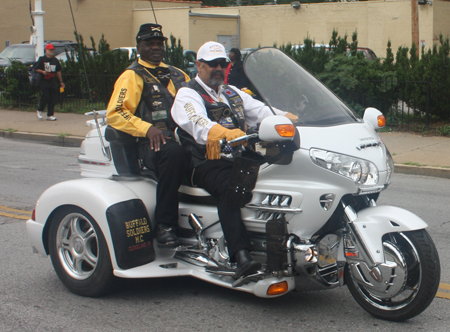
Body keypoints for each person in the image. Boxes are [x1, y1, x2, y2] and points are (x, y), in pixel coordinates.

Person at [171, 41, 297, 279]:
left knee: (280, 176)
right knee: (232, 187)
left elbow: (263, 111)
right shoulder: (187, 94)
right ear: (199, 65)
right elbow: (197, 123)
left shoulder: (232, 92)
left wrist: (291, 118)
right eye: (212, 64)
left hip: (238, 158)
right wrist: (225, 133)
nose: (218, 68)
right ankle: (241, 256)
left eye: (223, 64)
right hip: (205, 161)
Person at [106, 23, 190, 248]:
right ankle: (165, 225)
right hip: (151, 145)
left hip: (184, 138)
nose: (155, 48)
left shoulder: (178, 74)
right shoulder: (132, 76)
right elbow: (116, 113)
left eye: (159, 43)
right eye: (149, 44)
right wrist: (146, 128)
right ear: (138, 47)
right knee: (174, 153)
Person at [35, 43, 65, 121]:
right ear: (46, 50)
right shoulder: (42, 59)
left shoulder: (55, 60)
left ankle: (50, 114)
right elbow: (36, 68)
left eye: (52, 50)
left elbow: (58, 71)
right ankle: (39, 110)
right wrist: (43, 72)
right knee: (45, 97)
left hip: (52, 81)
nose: (51, 51)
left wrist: (61, 81)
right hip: (44, 81)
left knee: (52, 98)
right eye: (50, 50)